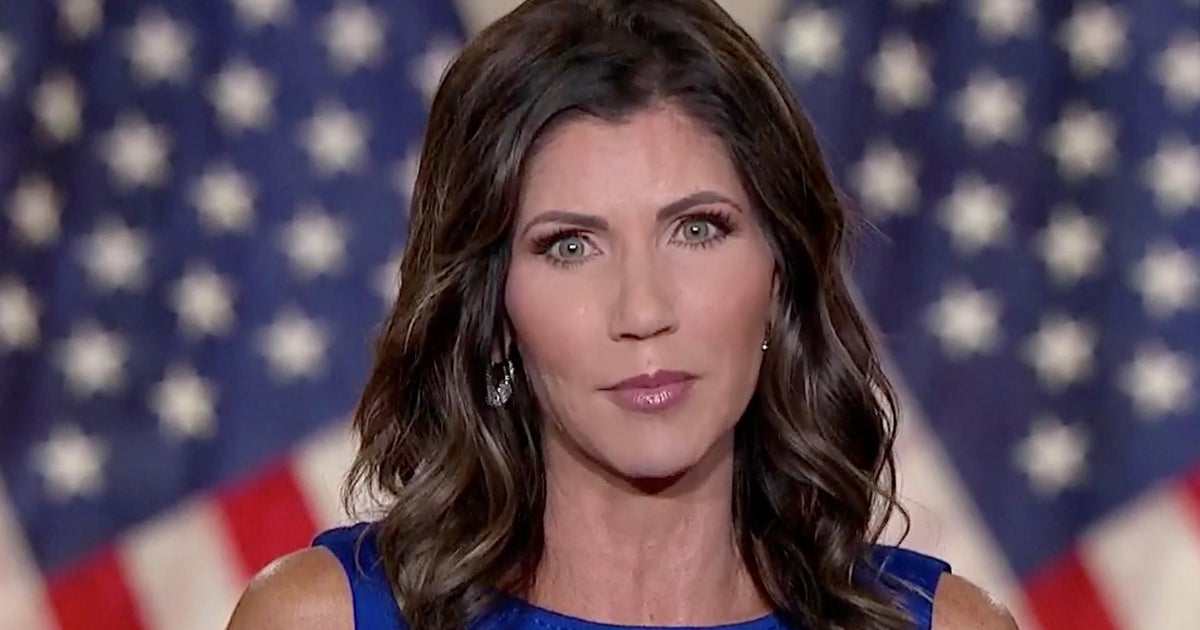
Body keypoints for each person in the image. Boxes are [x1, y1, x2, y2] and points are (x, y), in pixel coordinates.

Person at [227, 0, 1018, 628]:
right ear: (492, 310)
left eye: (698, 229)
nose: (643, 310)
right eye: (570, 246)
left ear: (780, 272)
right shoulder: (324, 619)